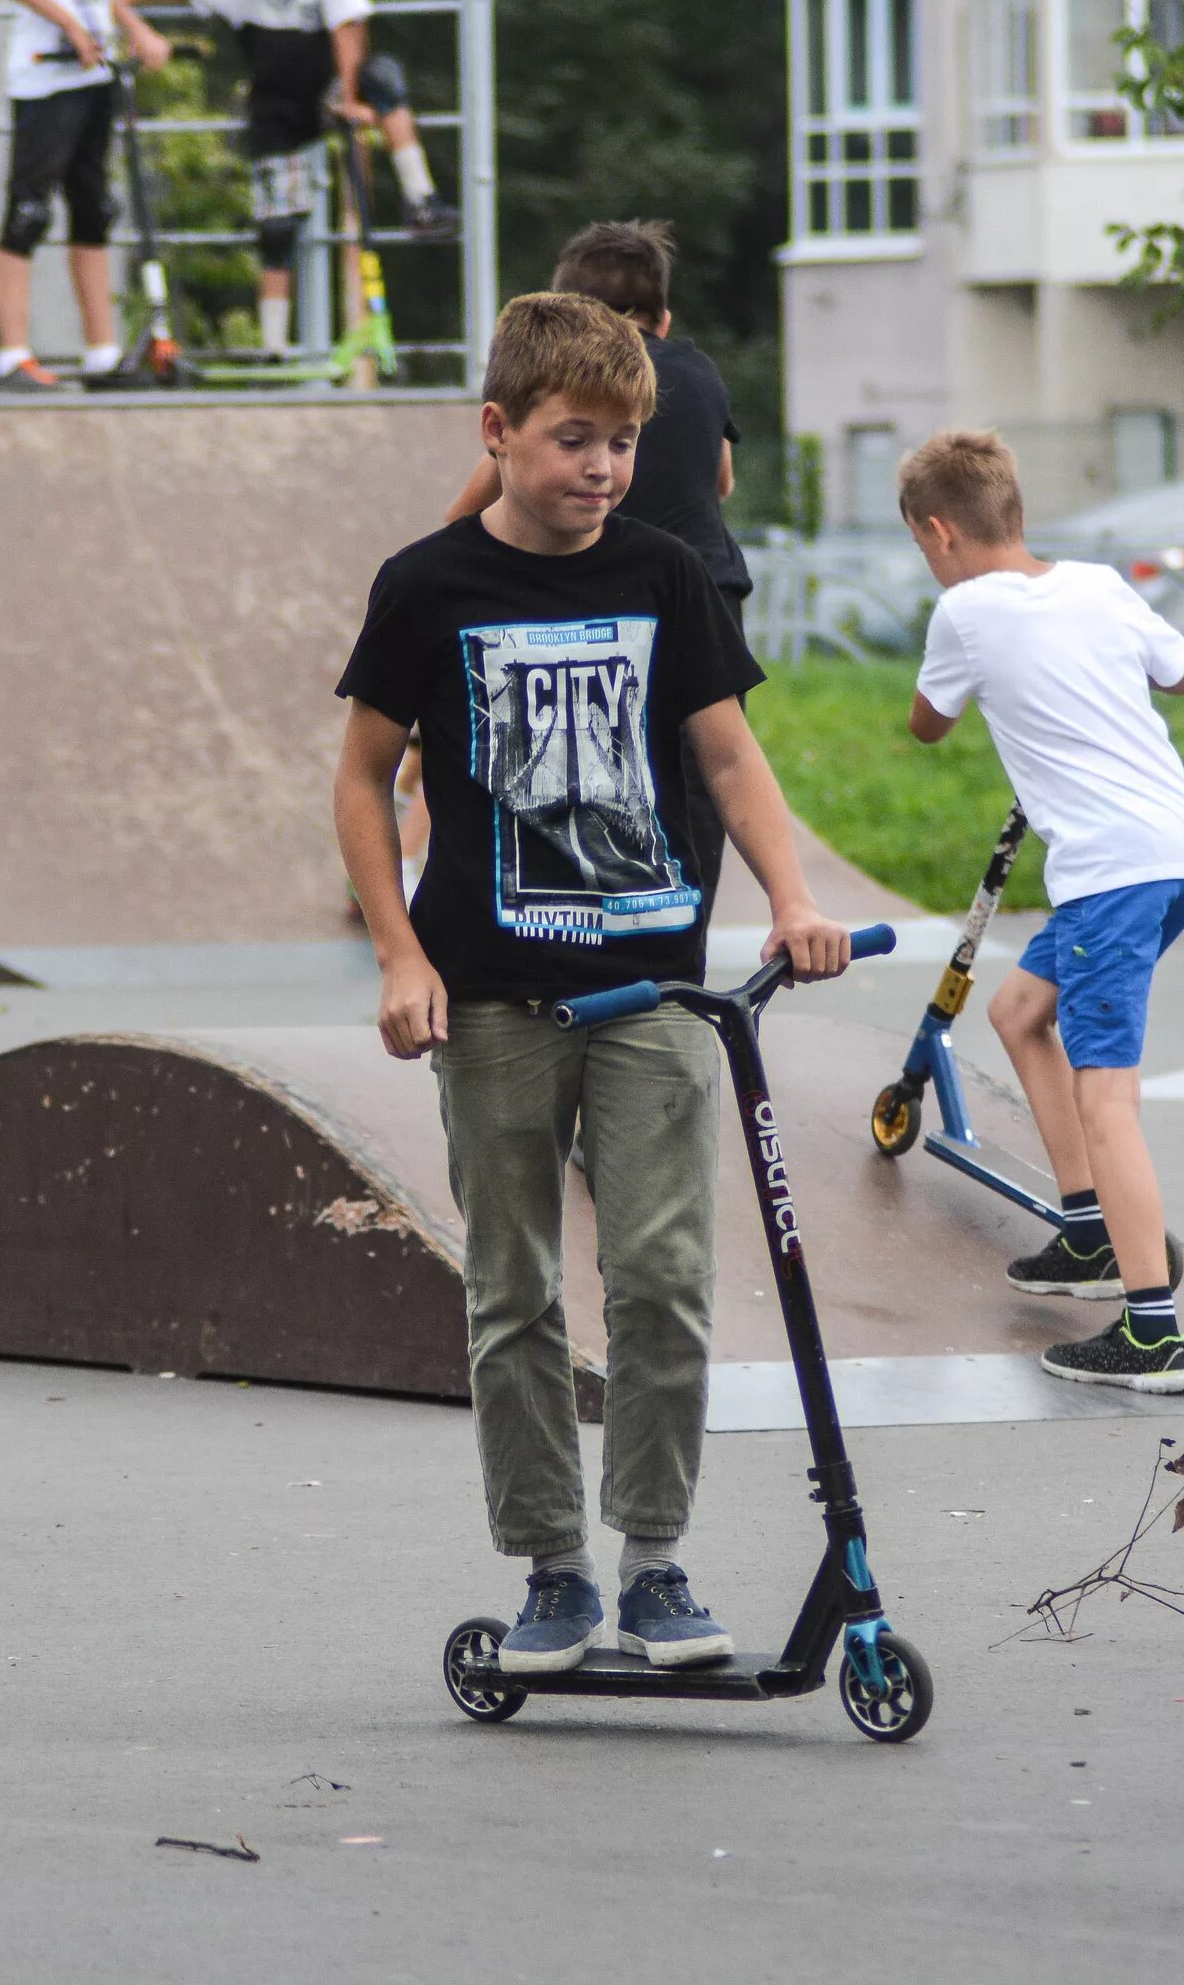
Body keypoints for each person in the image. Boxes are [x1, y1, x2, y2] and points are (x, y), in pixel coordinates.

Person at [331, 292, 853, 1674]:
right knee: (513, 1292)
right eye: (575, 440)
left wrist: (794, 901)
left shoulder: (664, 575)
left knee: (667, 1279)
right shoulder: (429, 585)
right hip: (492, 998)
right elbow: (360, 772)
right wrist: (399, 950)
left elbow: (730, 759)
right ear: (497, 432)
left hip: (656, 992)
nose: (604, 469)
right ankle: (553, 1570)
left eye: (623, 443)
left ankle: (657, 1563)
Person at [899, 428, 1184, 1395]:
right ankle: (1087, 1231)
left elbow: (927, 724)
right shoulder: (1100, 585)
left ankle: (1153, 1330)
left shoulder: (962, 612)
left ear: (941, 531)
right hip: (1177, 851)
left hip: (1109, 869)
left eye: (923, 547)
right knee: (1018, 1012)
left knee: (1107, 1098)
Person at [444, 220, 753, 889]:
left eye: (623, 442)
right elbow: (722, 479)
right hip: (711, 584)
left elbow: (469, 506)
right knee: (699, 777)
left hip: (619, 595)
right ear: (662, 320)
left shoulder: (566, 395)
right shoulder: (697, 368)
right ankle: (682, 913)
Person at [121, 0, 458, 356]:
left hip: (331, 85)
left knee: (383, 77)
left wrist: (348, 99)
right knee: (276, 229)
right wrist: (132, 15)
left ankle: (420, 197)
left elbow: (349, 26)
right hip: (278, 101)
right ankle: (273, 346)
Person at [0, 0, 172, 393]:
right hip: (45, 79)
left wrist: (136, 29)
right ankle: (11, 356)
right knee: (27, 213)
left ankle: (101, 351)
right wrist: (68, 24)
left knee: (95, 210)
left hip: (94, 74)